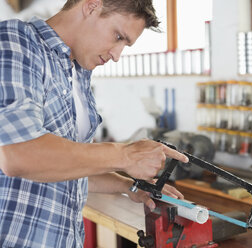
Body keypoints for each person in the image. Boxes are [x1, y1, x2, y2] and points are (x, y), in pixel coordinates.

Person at [0, 0, 189, 247]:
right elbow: (18, 155)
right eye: (118, 36)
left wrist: (131, 186)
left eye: (125, 44)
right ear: (91, 6)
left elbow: (70, 170)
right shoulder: (15, 42)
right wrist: (125, 154)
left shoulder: (78, 71)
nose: (117, 55)